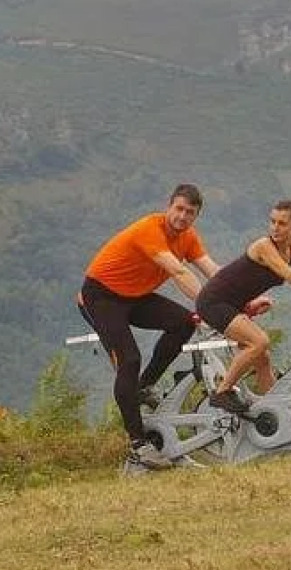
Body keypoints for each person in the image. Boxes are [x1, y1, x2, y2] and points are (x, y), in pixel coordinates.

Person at [79, 183, 220, 470]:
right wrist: (210, 309)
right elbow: (179, 271)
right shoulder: (149, 229)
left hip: (134, 296)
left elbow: (213, 272)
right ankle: (138, 445)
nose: (182, 216)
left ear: (196, 216)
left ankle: (143, 388)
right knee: (129, 359)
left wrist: (241, 302)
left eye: (189, 212)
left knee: (183, 323)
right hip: (101, 296)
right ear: (169, 206)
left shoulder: (188, 237)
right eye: (178, 209)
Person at [195, 199, 291, 414]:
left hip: (235, 305)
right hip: (213, 302)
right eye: (272, 222)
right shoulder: (263, 246)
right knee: (259, 342)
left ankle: (278, 413)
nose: (275, 227)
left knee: (262, 358)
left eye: (282, 223)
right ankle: (222, 392)